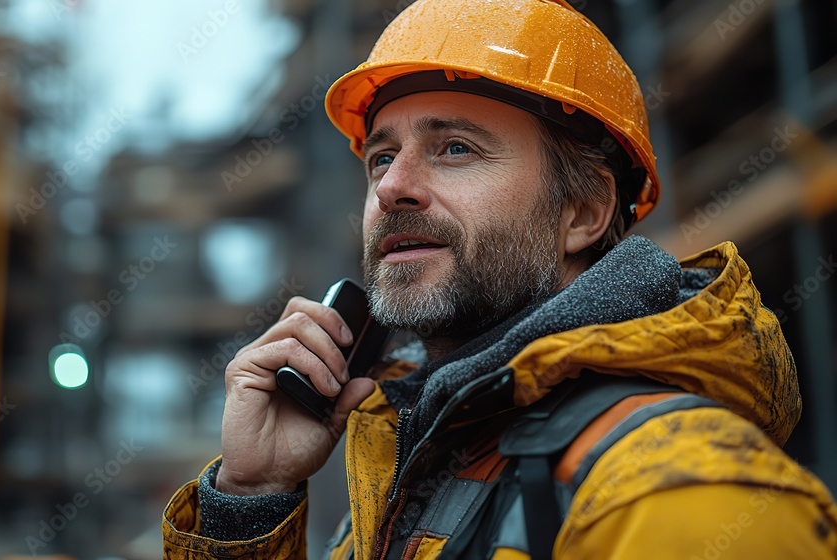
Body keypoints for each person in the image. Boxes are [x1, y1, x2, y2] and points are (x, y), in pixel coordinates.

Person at [162, 0, 837, 558]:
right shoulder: (408, 462)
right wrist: (251, 502)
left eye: (455, 148)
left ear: (583, 212)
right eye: (381, 157)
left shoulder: (678, 497)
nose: (393, 186)